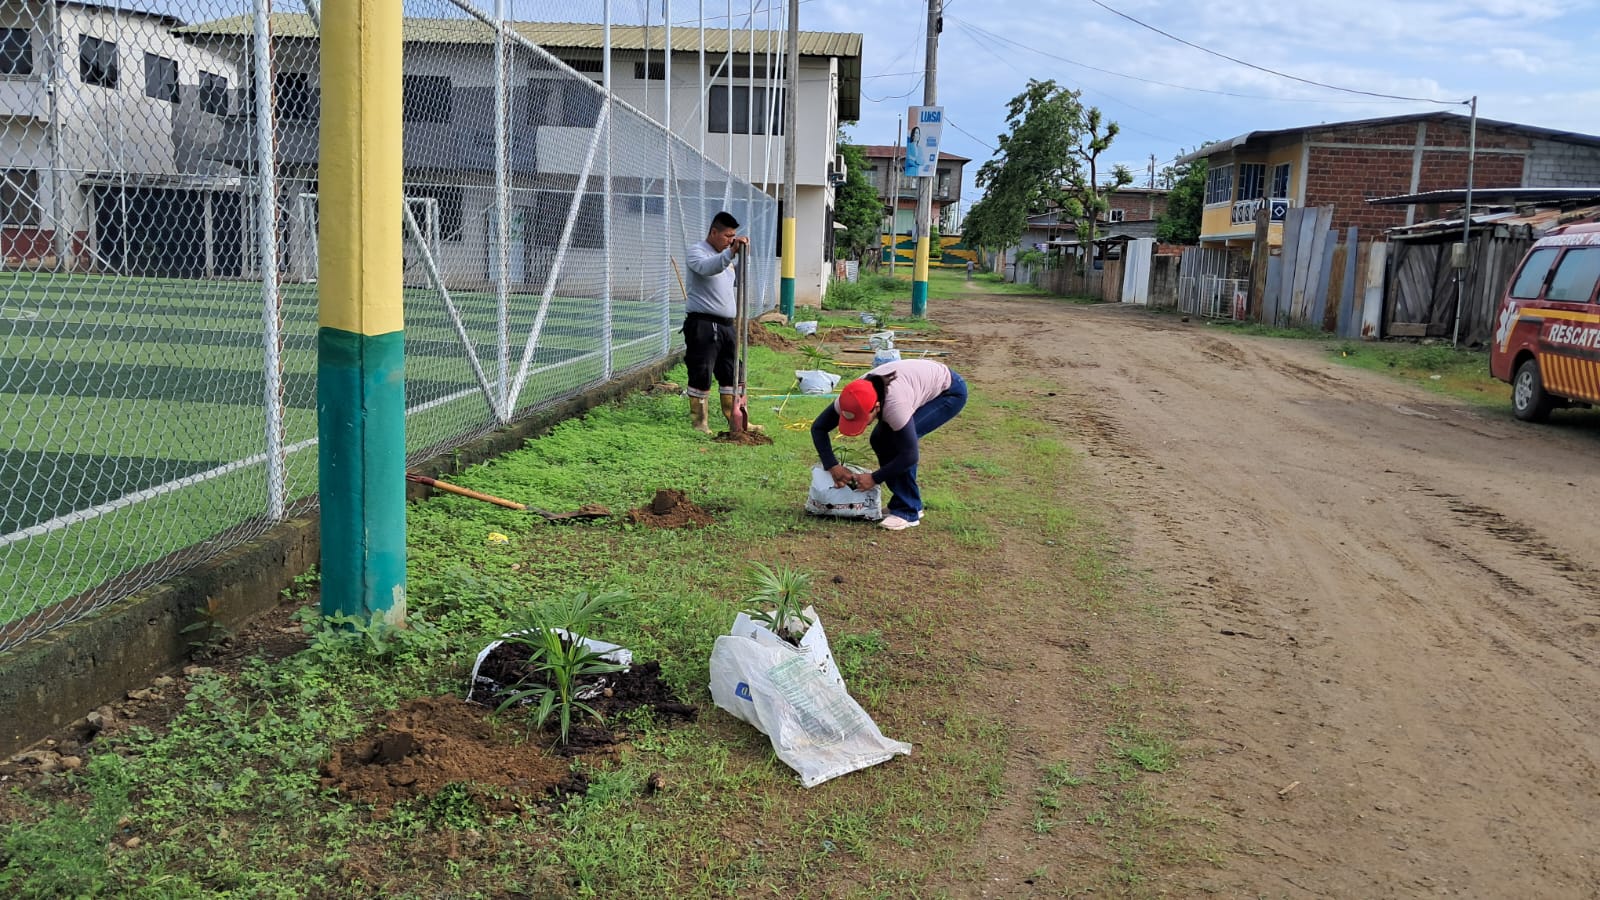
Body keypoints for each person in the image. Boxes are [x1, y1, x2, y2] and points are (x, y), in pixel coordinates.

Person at [811, 358, 968, 531]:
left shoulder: (895, 406)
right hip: (915, 383)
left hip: (948, 391)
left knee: (895, 442)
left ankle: (907, 511)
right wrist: (832, 465)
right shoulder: (849, 398)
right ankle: (907, 504)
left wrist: (874, 478)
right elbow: (818, 428)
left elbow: (910, 455)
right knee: (880, 440)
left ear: (876, 407)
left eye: (862, 420)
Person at [682, 211, 750, 432]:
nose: (730, 240)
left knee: (732, 371)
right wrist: (731, 253)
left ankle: (735, 418)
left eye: (733, 236)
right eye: (727, 236)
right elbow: (708, 268)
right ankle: (699, 422)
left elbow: (733, 279)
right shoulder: (697, 253)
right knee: (702, 371)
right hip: (703, 324)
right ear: (713, 232)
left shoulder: (725, 258)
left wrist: (741, 255)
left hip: (726, 325)